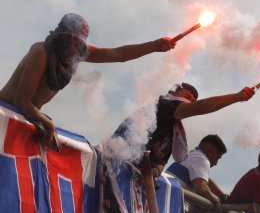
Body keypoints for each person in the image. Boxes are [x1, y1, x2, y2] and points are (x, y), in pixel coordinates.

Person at [103, 82, 255, 213]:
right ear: (173, 92)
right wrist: (236, 97)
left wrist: (152, 172)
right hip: (113, 173)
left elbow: (160, 164)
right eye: (187, 94)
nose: (190, 98)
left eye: (193, 97)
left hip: (130, 185)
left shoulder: (172, 129)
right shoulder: (165, 106)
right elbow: (200, 108)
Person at [0, 13, 175, 150]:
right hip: (6, 113)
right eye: (70, 39)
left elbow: (118, 55)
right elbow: (21, 101)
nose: (74, 47)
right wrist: (48, 124)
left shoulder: (79, 53)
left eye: (78, 42)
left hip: (25, 119)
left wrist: (154, 46)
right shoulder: (41, 52)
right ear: (60, 36)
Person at [166, 134, 229, 213]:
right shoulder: (202, 159)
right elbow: (201, 188)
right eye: (217, 158)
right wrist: (216, 201)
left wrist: (222, 196)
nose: (216, 163)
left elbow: (204, 180)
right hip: (167, 203)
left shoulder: (193, 155)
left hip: (164, 198)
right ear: (210, 152)